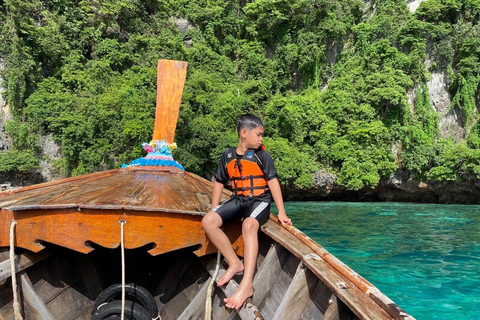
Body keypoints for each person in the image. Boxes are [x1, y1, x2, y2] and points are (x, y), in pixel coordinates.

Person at [201, 114, 292, 310]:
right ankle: (235, 263)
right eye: (258, 135)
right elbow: (219, 181)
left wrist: (281, 212)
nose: (261, 139)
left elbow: (273, 182)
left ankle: (247, 284)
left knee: (248, 224)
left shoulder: (262, 156)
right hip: (238, 199)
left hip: (259, 200)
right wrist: (214, 207)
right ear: (244, 133)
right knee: (209, 221)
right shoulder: (227, 156)